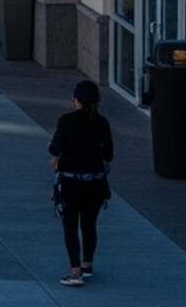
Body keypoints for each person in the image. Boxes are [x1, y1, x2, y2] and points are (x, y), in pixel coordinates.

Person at [49, 79, 114, 286]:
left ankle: (74, 269)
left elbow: (54, 148)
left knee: (70, 226)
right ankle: (87, 264)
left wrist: (54, 148)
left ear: (76, 100)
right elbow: (109, 154)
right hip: (95, 183)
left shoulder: (67, 120)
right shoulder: (102, 123)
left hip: (71, 182)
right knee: (89, 224)